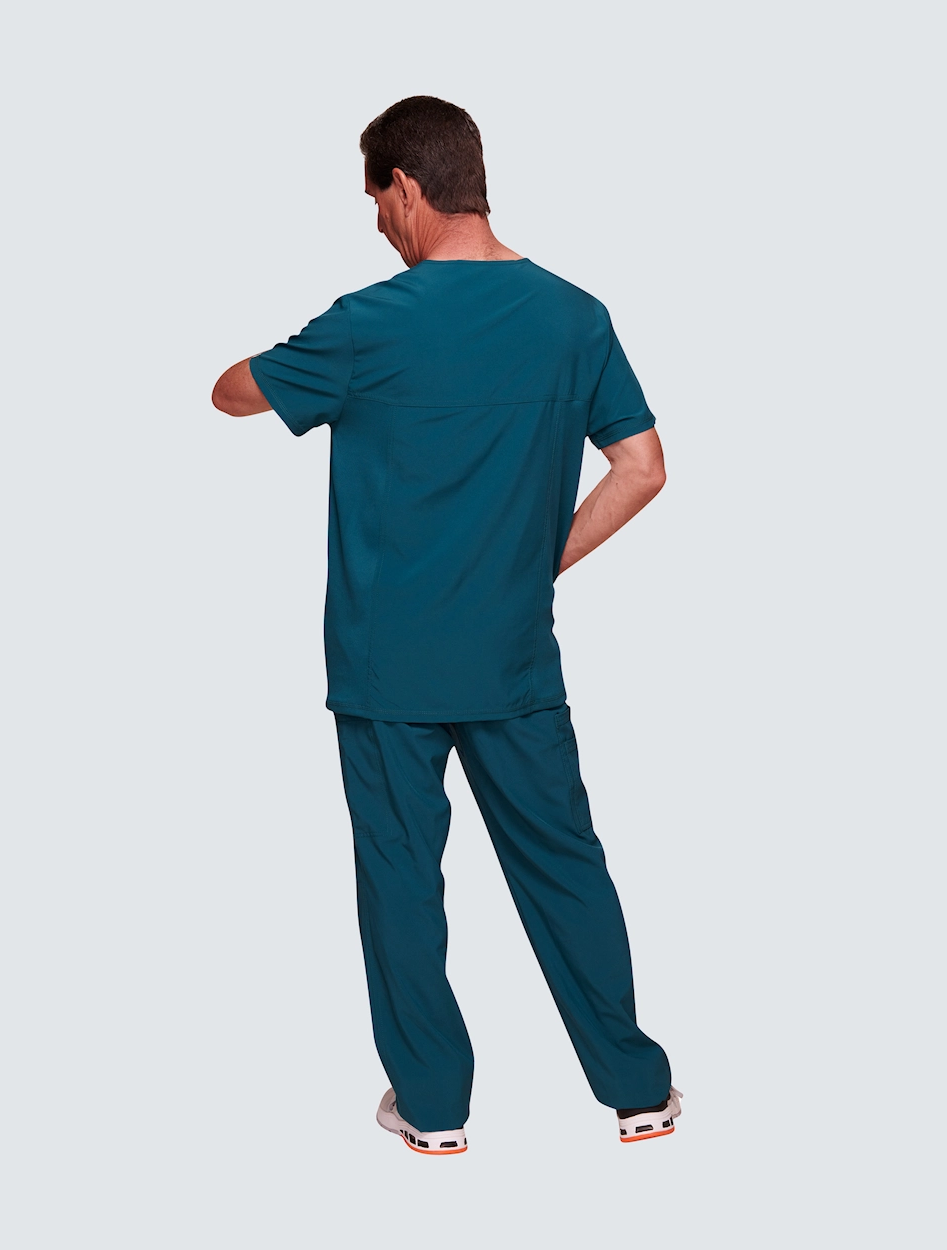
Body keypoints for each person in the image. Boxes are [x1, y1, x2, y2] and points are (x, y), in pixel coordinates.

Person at [212, 95, 681, 1154]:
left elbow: (229, 393)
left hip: (385, 663)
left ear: (407, 186)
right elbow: (643, 467)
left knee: (399, 880)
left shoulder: (369, 321)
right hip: (512, 654)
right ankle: (637, 1090)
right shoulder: (575, 316)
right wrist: (533, 560)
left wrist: (295, 361)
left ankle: (432, 1110)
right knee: (563, 864)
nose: (378, 223)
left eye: (376, 201)